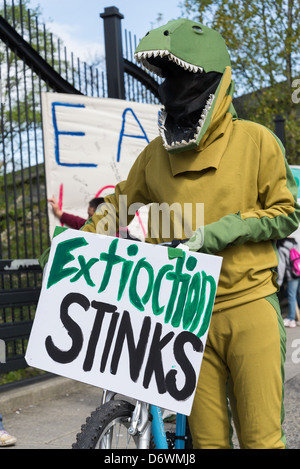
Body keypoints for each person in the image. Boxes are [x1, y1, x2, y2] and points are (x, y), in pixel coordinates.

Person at [82, 19, 300, 448]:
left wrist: (218, 232)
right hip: (184, 317)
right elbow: (119, 203)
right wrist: (79, 240)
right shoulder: (153, 155)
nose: (175, 88)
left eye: (187, 78)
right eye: (169, 79)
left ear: (216, 83)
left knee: (261, 440)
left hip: (248, 304)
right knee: (205, 443)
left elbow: (287, 212)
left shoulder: (258, 141)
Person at [277, 237, 300, 328]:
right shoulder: (295, 243)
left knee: (291, 296)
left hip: (291, 275)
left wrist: (279, 281)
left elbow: (281, 266)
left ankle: (291, 319)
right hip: (298, 271)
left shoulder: (282, 247)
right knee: (298, 294)